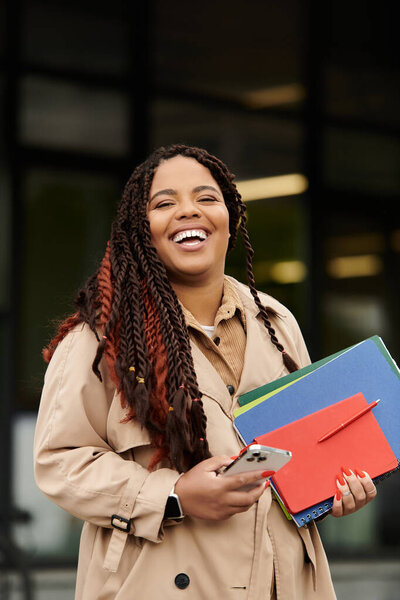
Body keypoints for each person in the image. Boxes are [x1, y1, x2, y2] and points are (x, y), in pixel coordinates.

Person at [34, 144, 377, 599]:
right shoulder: (103, 338)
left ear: (230, 217)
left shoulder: (276, 323)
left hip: (284, 583)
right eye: (164, 203)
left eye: (206, 198)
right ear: (141, 228)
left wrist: (332, 488)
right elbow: (59, 463)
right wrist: (173, 494)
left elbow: (300, 451)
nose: (188, 211)